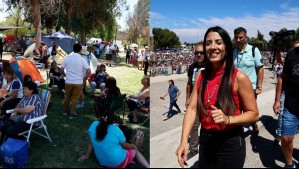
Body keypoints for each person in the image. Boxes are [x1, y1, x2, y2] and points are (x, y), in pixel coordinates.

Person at [176, 26, 259, 168]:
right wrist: (184, 141)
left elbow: (254, 114)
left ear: (226, 47)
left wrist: (228, 119)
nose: (213, 47)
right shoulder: (201, 76)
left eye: (218, 42)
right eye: (208, 43)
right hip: (206, 140)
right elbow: (191, 109)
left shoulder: (239, 77)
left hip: (230, 142)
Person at [77, 112, 150, 168]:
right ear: (113, 121)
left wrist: (86, 156)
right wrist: (134, 146)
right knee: (135, 152)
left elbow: (91, 142)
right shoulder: (116, 129)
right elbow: (125, 146)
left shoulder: (93, 124)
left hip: (104, 163)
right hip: (117, 163)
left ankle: (131, 162)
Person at [233, 27, 264, 135]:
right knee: (236, 110)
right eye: (236, 37)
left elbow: (260, 69)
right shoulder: (233, 51)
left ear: (246, 37)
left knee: (249, 110)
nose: (238, 40)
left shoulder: (253, 50)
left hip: (251, 87)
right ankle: (238, 132)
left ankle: (254, 124)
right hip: (235, 87)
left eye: (240, 37)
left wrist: (259, 87)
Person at [273, 42, 299, 168]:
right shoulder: (292, 54)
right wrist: (277, 100)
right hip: (291, 106)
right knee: (286, 138)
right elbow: (282, 78)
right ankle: (289, 164)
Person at [185, 43, 205, 159]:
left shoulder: (210, 66)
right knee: (193, 126)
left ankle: (205, 147)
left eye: (201, 53)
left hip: (207, 102)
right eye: (196, 53)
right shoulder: (192, 67)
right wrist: (187, 99)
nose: (198, 55)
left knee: (206, 126)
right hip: (194, 102)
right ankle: (194, 149)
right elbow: (189, 84)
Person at [61, 43, 91, 119]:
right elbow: (89, 71)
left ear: (73, 49)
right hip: (78, 82)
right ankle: (72, 113)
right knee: (75, 98)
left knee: (67, 97)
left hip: (68, 81)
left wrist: (65, 75)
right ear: (80, 50)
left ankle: (65, 110)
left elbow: (61, 69)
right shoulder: (82, 59)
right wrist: (85, 78)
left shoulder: (67, 58)